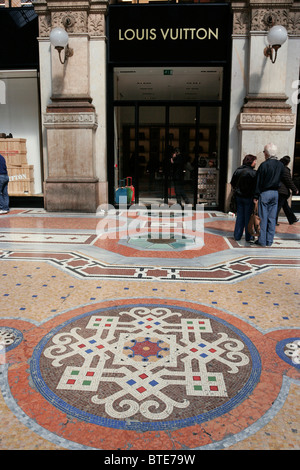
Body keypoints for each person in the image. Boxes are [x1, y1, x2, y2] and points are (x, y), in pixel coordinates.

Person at [253, 143, 284, 247]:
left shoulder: (264, 165)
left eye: (264, 152)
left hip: (265, 193)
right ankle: (269, 241)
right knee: (272, 218)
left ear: (266, 153)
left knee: (263, 218)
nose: (264, 154)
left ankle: (262, 240)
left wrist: (256, 196)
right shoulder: (280, 165)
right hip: (275, 193)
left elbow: (258, 181)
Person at [230, 154, 257, 242]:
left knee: (240, 216)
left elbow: (232, 183)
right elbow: (256, 186)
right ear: (251, 162)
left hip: (239, 197)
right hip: (249, 197)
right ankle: (248, 237)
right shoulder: (253, 173)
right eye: (254, 161)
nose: (255, 163)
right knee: (248, 217)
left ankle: (237, 235)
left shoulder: (238, 170)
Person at [276, 156, 299, 225]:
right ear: (287, 162)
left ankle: (292, 219)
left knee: (285, 206)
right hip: (282, 191)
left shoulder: (278, 168)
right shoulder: (284, 170)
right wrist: (295, 189)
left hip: (279, 190)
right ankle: (273, 221)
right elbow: (288, 181)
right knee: (278, 207)